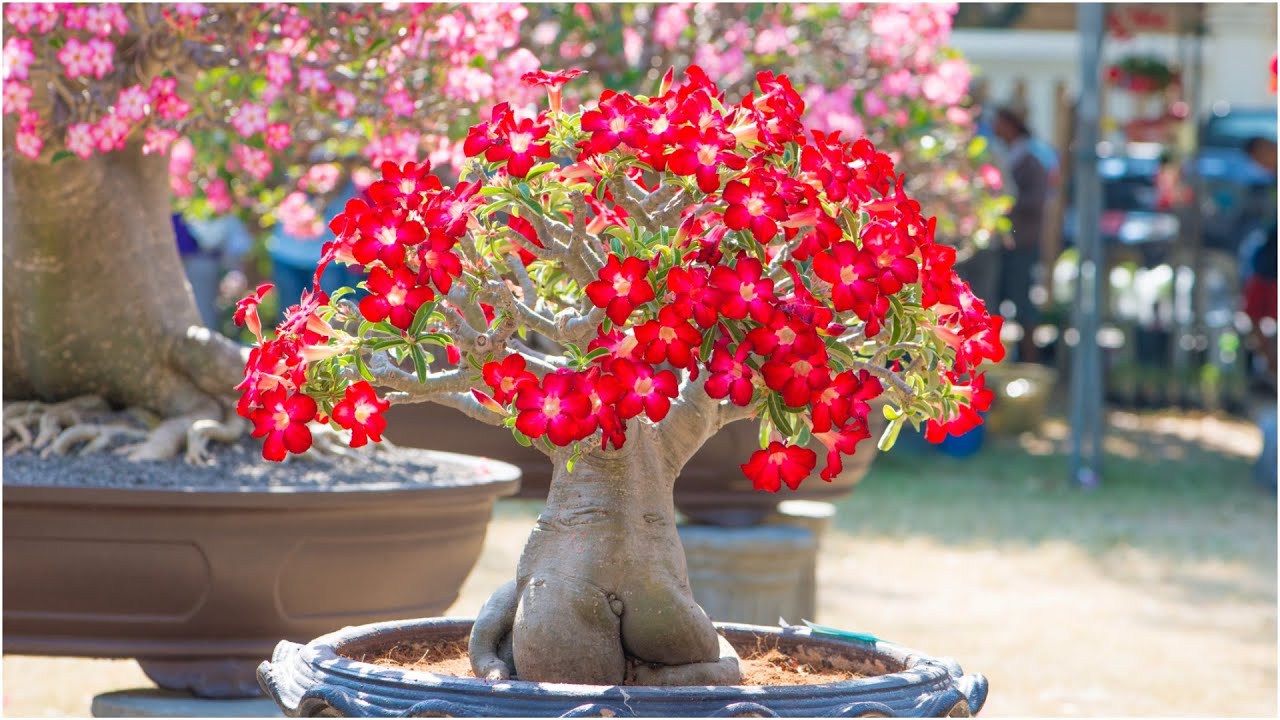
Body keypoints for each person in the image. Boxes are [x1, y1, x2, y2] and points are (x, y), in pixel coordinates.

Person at [992, 105, 1050, 363]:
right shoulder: (1011, 155)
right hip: (1008, 243)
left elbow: (1036, 201)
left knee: (1023, 304)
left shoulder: (1031, 159)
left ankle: (1029, 361)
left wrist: (1008, 203)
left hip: (1023, 242)